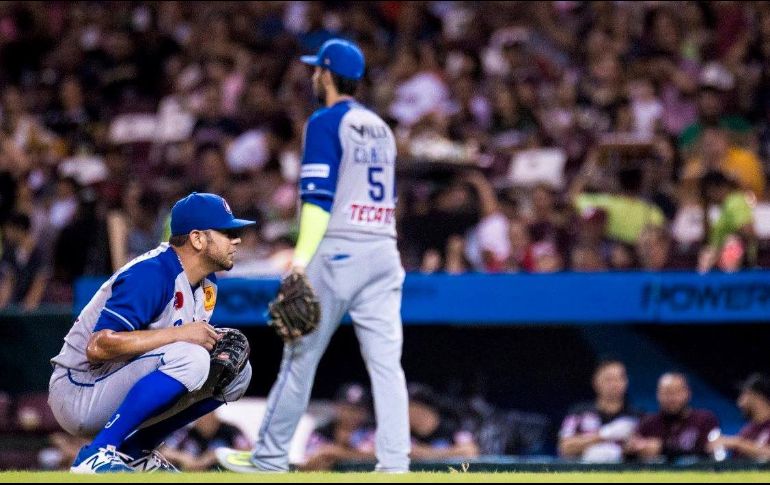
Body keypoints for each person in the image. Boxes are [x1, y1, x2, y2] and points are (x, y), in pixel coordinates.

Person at [216, 38, 410, 473]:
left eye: (315, 70)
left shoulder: (325, 122)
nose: (311, 76)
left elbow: (318, 201)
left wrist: (301, 260)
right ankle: (395, 465)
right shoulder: (382, 128)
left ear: (326, 73)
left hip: (341, 247)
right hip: (384, 248)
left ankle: (269, 458)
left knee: (300, 357)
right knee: (386, 365)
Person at [47, 192, 256, 473]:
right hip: (79, 388)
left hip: (115, 383)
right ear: (197, 239)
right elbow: (97, 347)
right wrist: (181, 336)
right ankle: (95, 454)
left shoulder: (207, 285)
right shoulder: (152, 273)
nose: (236, 239)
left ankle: (135, 453)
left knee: (237, 372)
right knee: (191, 356)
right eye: (226, 232)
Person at [558, 359, 642, 463]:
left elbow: (649, 450)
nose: (615, 384)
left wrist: (633, 448)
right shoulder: (578, 412)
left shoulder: (636, 416)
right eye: (609, 379)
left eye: (619, 378)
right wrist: (605, 435)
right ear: (595, 382)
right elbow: (564, 447)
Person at [625, 373, 720, 462]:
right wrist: (632, 449)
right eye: (666, 393)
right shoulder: (648, 422)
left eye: (676, 392)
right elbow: (629, 457)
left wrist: (662, 449)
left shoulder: (704, 420)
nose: (671, 398)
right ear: (658, 395)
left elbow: (709, 453)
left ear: (688, 393)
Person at [300, 383, 376, 471]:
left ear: (366, 412)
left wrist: (336, 452)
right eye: (346, 408)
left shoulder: (372, 431)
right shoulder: (321, 431)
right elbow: (306, 464)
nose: (351, 414)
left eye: (357, 409)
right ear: (337, 407)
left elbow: (377, 455)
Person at [159, 412, 251, 471]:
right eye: (201, 417)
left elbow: (248, 451)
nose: (204, 420)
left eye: (208, 417)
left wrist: (219, 455)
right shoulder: (187, 432)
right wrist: (182, 457)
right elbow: (163, 452)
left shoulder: (230, 431)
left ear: (215, 416)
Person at [708, 373, 770, 461]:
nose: (739, 402)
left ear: (758, 397)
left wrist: (737, 443)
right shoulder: (748, 430)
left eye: (744, 395)